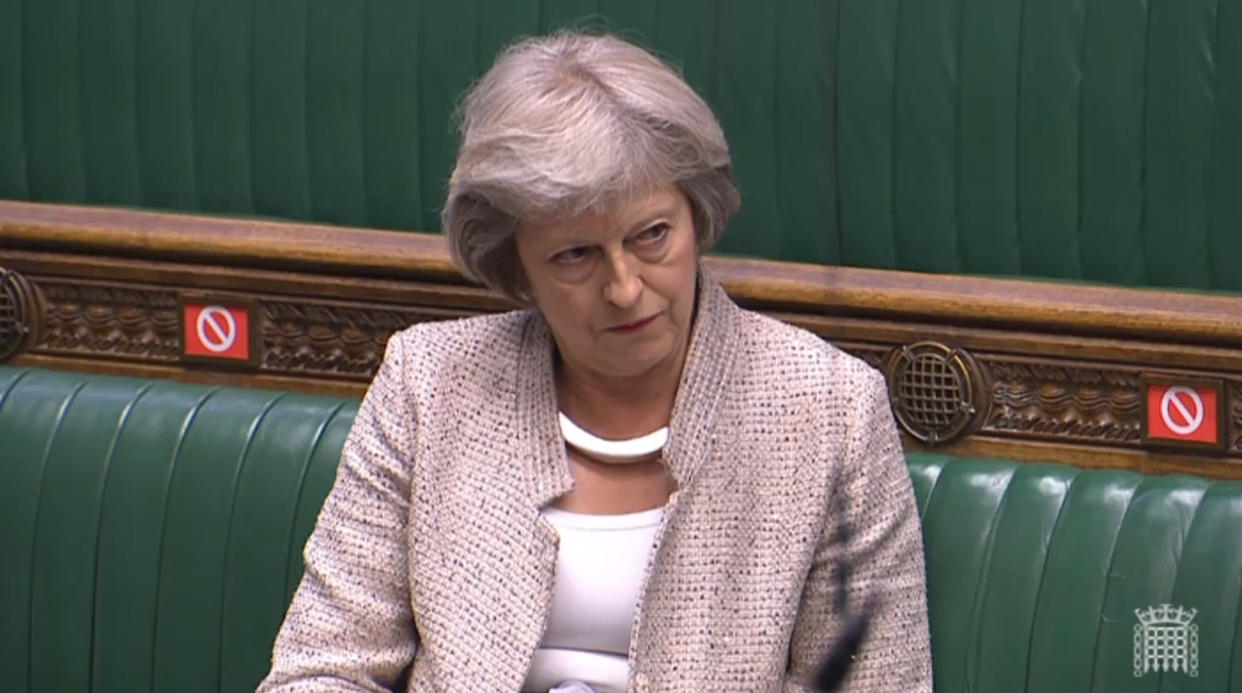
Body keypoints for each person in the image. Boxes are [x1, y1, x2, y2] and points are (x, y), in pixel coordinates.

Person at [258, 31, 931, 693]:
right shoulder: (429, 382)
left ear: (697, 212)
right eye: (574, 255)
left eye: (652, 235)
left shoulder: (829, 409)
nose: (625, 287)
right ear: (515, 262)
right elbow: (320, 667)